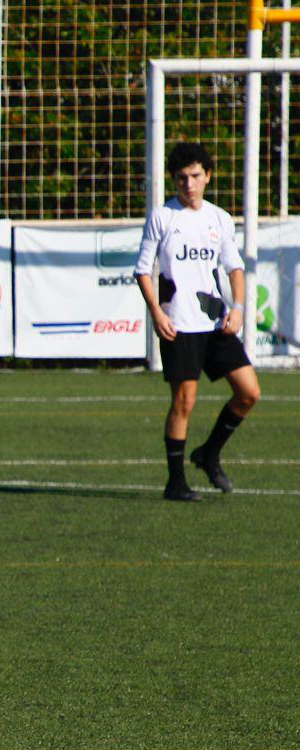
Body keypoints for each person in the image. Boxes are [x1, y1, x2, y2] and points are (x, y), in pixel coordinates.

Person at [134, 142, 261, 502]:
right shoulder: (163, 217)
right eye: (180, 178)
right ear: (173, 181)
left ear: (207, 176)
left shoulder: (218, 218)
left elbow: (234, 267)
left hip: (215, 321)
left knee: (249, 392)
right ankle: (175, 483)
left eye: (194, 176)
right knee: (184, 401)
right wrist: (157, 312)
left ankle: (208, 453)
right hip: (178, 323)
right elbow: (143, 270)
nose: (188, 184)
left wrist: (237, 307)